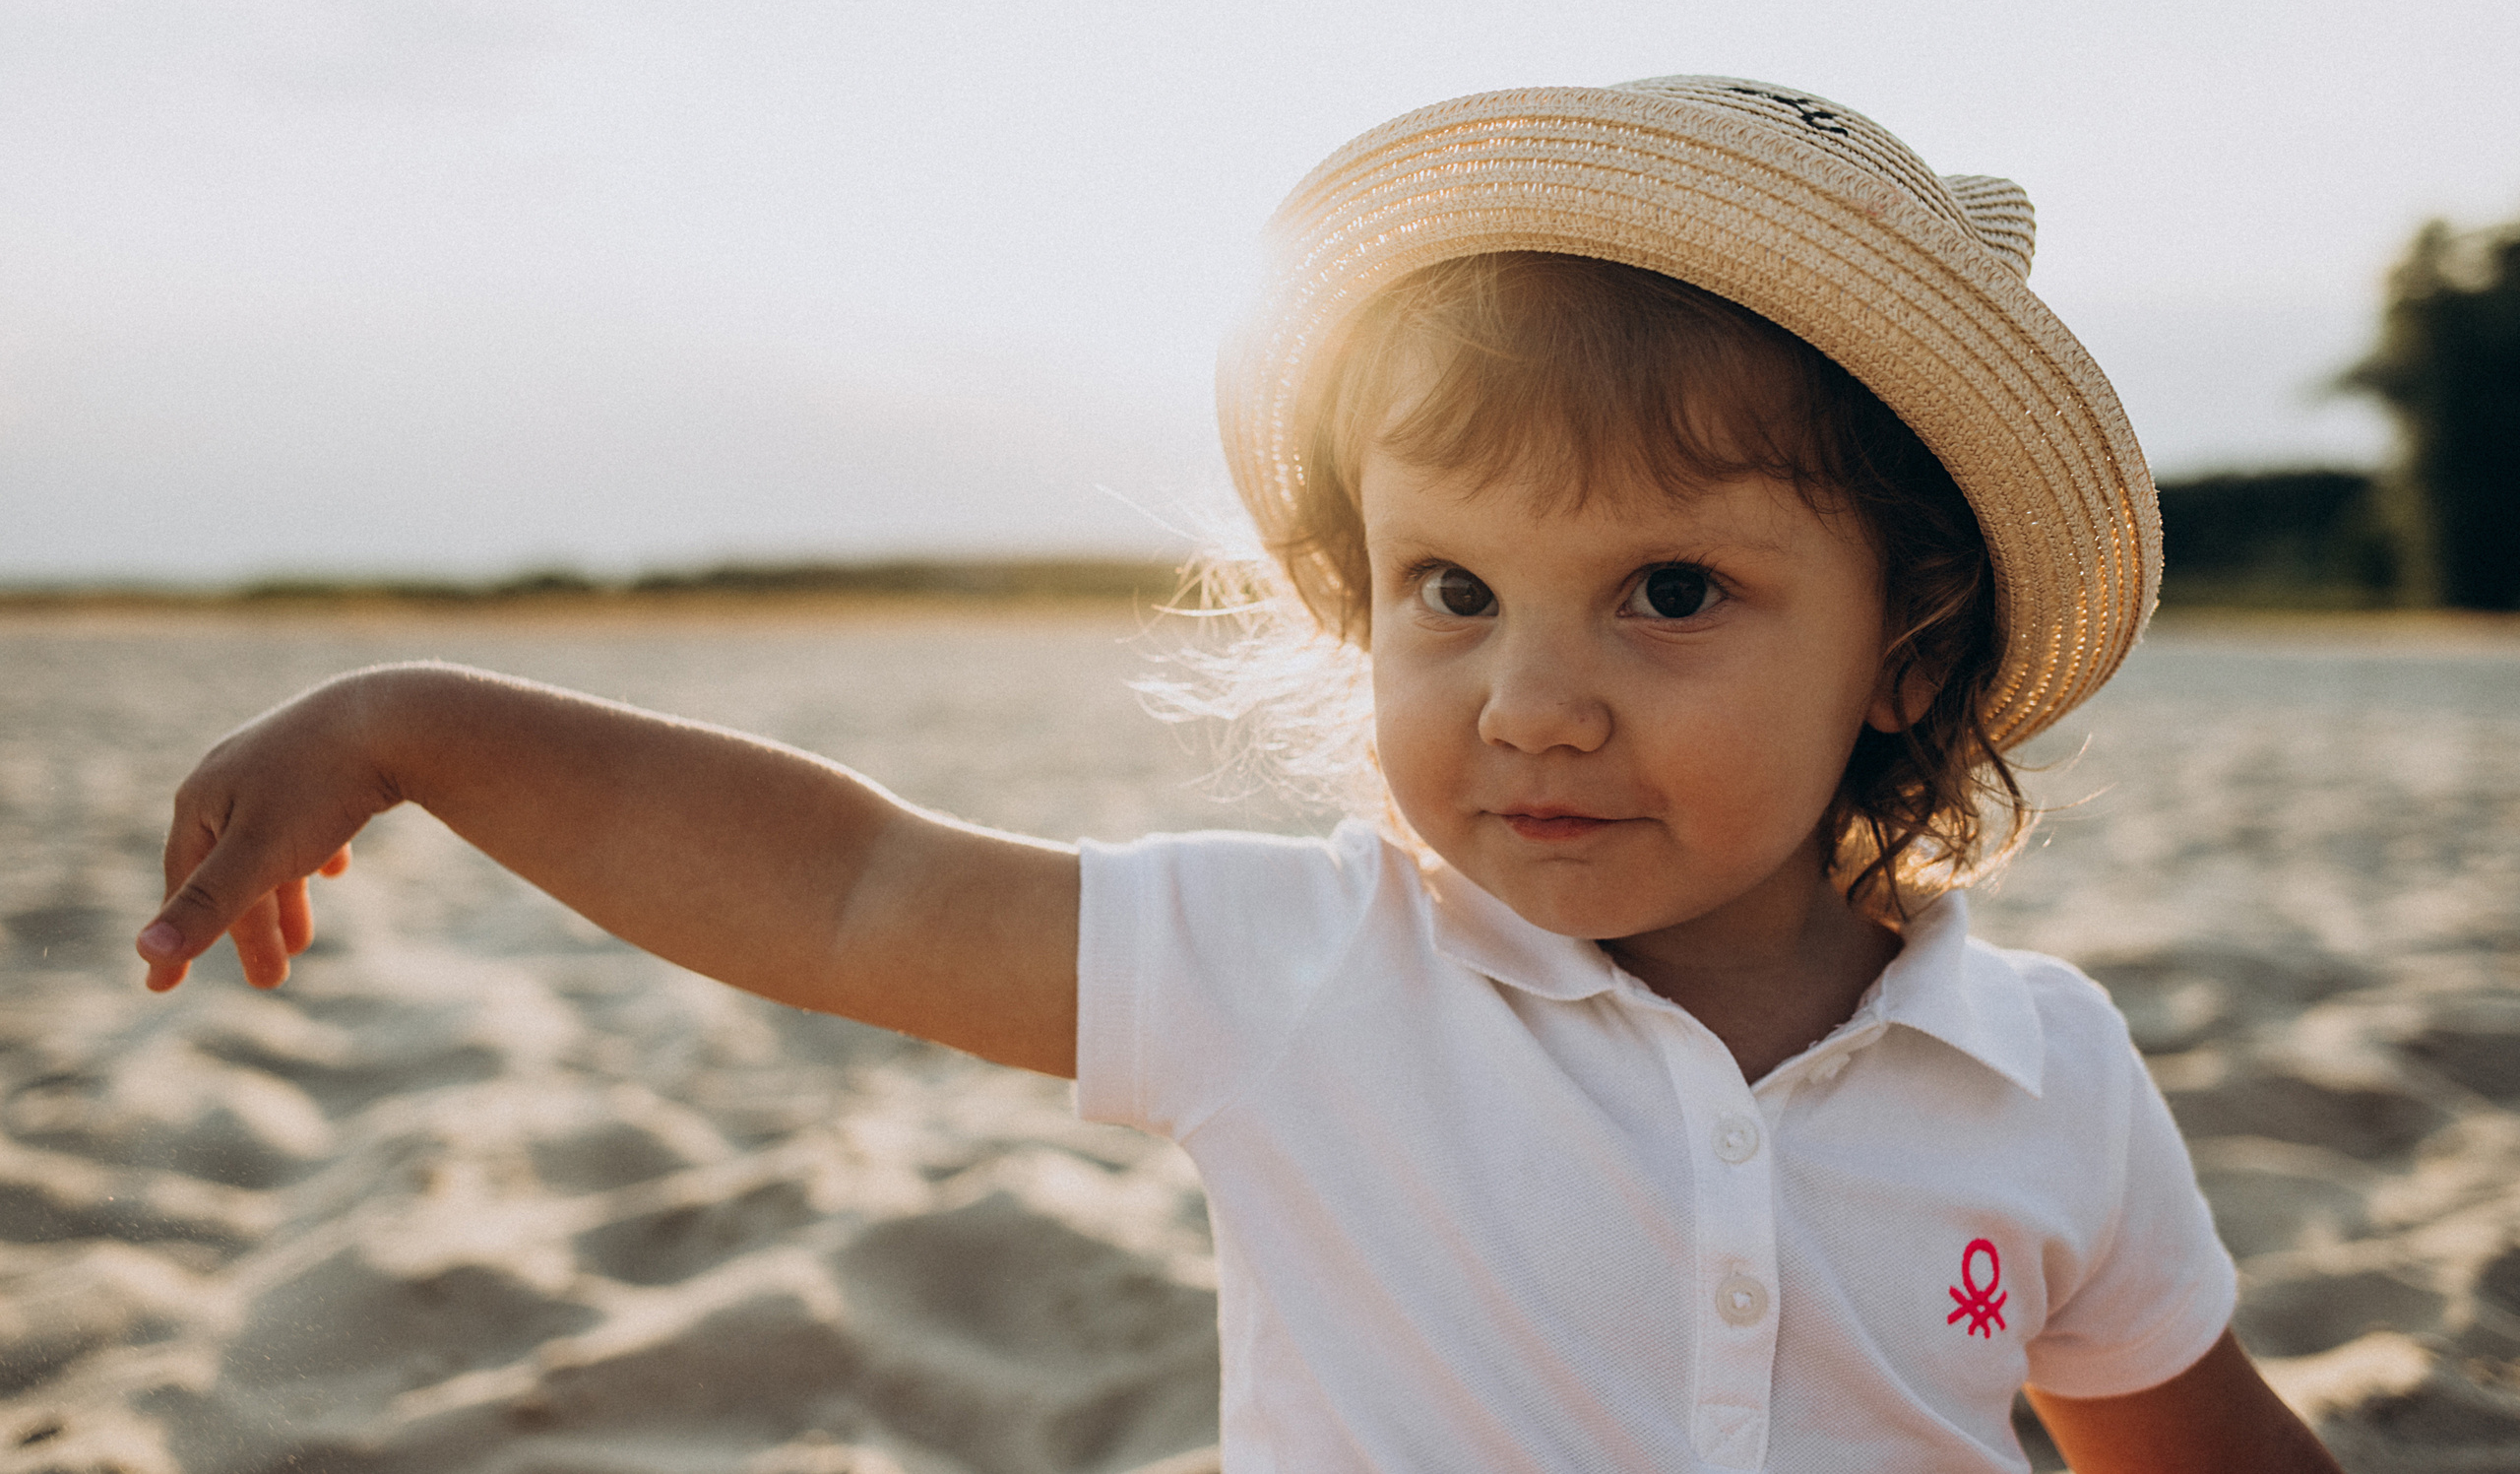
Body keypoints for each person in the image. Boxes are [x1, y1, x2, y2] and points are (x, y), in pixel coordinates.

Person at [136, 76, 2343, 1473]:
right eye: (1450, 587)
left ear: (1907, 643)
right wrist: (420, 723)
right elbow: (841, 890)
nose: (1529, 698)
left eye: (1668, 591)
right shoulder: (1302, 963)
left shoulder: (2036, 1072)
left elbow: (2185, 1435)